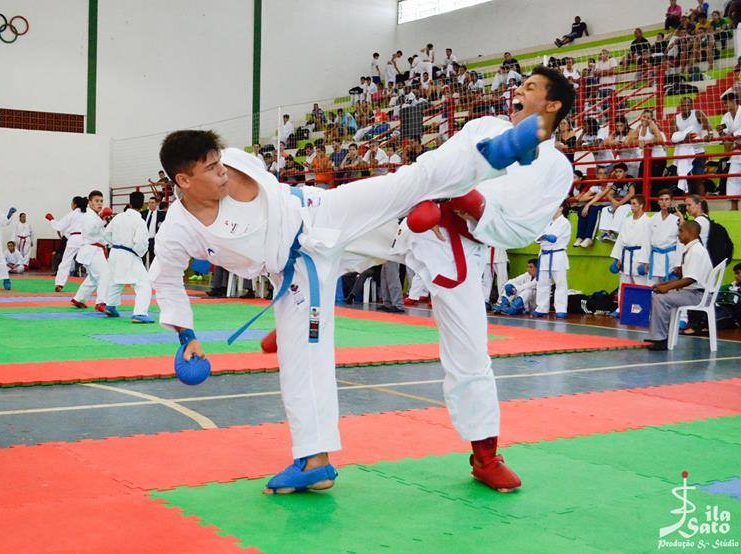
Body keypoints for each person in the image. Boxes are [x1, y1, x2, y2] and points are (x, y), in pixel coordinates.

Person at [150, 107, 551, 494]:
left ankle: (498, 153)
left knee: (407, 182)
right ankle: (315, 461)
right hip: (298, 275)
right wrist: (187, 337)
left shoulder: (238, 163)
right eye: (210, 169)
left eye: (220, 162)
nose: (221, 172)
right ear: (183, 181)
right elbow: (166, 281)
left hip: (320, 215)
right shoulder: (178, 230)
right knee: (302, 363)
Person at [399, 66, 575, 491]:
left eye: (531, 87)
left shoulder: (555, 166)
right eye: (522, 83)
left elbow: (520, 228)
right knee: (328, 236)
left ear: (551, 106)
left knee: (471, 356)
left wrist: (472, 204)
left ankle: (485, 456)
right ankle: (296, 304)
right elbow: (435, 164)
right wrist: (431, 190)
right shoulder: (483, 126)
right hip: (413, 216)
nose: (519, 89)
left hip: (464, 246)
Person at [646, 220, 713, 350]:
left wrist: (666, 288)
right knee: (659, 294)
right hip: (693, 292)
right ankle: (659, 336)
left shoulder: (696, 251)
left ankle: (660, 339)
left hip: (699, 295)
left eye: (681, 231)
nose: (678, 234)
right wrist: (664, 284)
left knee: (661, 298)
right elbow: (685, 278)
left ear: (692, 233)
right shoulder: (693, 249)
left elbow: (690, 279)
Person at [102, 191, 155, 323]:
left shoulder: (118, 217)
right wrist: (138, 253)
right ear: (143, 205)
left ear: (129, 203)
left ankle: (110, 306)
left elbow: (106, 234)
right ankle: (140, 313)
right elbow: (141, 242)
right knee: (143, 284)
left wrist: (114, 244)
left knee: (116, 279)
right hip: (129, 253)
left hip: (114, 252)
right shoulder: (140, 221)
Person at [71, 190, 112, 312]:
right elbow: (90, 231)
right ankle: (101, 302)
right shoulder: (88, 216)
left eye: (101, 201)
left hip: (94, 250)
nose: (99, 204)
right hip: (92, 250)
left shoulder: (95, 216)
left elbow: (101, 234)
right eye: (96, 201)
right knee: (105, 274)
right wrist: (101, 218)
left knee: (93, 278)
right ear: (90, 203)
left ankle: (79, 299)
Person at [532, 201, 572, 318]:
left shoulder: (564, 222)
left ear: (561, 208)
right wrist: (544, 237)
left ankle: (561, 309)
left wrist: (544, 237)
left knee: (560, 283)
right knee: (542, 283)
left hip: (557, 255)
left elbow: (553, 238)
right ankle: (542, 308)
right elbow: (537, 237)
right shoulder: (547, 222)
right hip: (544, 255)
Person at [610, 195, 652, 288]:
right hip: (626, 257)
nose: (632, 206)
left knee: (641, 286)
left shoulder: (648, 221)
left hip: (639, 257)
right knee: (624, 287)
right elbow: (620, 240)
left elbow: (648, 243)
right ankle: (623, 303)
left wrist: (646, 262)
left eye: (634, 204)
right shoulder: (626, 221)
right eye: (631, 204)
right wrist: (617, 258)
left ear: (641, 205)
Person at [671, 97, 712, 192]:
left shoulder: (697, 113)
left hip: (698, 151)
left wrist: (709, 135)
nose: (685, 107)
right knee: (685, 180)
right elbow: (672, 138)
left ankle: (702, 202)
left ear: (691, 106)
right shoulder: (675, 119)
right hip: (684, 153)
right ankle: (688, 204)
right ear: (680, 107)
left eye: (687, 105)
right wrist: (685, 137)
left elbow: (708, 126)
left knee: (698, 179)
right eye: (683, 105)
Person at [48, 196, 87, 292]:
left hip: (74, 239)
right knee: (89, 262)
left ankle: (60, 284)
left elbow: (59, 226)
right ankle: (99, 282)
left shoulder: (73, 214)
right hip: (86, 240)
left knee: (66, 262)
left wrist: (51, 220)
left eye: (71, 203)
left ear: (75, 204)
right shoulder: (88, 214)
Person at [647, 189, 684, 284]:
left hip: (670, 258)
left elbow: (680, 243)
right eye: (661, 199)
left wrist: (678, 263)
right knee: (651, 288)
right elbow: (647, 241)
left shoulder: (677, 220)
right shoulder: (652, 219)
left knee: (669, 289)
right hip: (654, 258)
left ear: (671, 201)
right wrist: (645, 260)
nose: (664, 202)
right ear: (658, 201)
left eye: (667, 199)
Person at [575, 167, 606, 248]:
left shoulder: (610, 185)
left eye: (604, 173)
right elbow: (582, 198)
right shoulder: (595, 187)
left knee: (593, 210)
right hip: (595, 204)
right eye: (600, 173)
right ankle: (580, 237)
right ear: (597, 175)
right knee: (582, 210)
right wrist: (592, 197)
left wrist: (588, 204)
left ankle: (589, 238)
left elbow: (600, 195)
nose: (602, 176)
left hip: (606, 206)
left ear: (608, 175)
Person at [720, 92, 741, 210]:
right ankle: (734, 207)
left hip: (736, 142)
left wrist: (732, 135)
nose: (724, 105)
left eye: (726, 102)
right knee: (733, 177)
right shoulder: (726, 116)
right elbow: (723, 130)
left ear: (734, 101)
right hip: (737, 149)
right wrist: (721, 132)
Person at [143, 196, 166, 268]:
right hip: (144, 239)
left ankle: (152, 276)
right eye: (149, 203)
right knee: (142, 258)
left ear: (156, 204)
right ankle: (142, 275)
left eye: (152, 203)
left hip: (154, 240)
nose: (150, 204)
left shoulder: (162, 215)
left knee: (153, 259)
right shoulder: (143, 214)